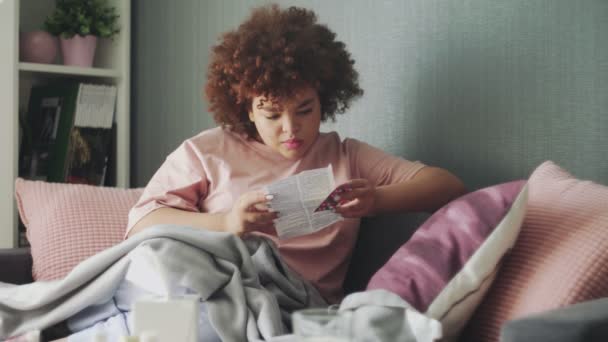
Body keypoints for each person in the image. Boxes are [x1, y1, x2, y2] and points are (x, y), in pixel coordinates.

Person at [126, 4, 466, 305]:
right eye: (272, 115)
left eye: (305, 110)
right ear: (246, 108)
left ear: (325, 99)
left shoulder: (346, 157)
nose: (291, 129)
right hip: (212, 287)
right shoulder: (208, 150)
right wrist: (227, 223)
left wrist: (376, 200)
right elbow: (142, 225)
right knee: (154, 276)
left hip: (295, 304)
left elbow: (448, 187)